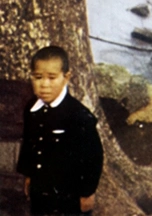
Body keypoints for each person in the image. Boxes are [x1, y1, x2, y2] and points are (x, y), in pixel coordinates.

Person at [17, 45, 103, 216]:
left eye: (52, 78)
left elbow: (94, 157)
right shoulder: (31, 109)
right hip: (40, 189)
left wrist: (87, 192)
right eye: (38, 77)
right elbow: (28, 142)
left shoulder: (80, 116)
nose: (44, 85)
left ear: (66, 77)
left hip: (69, 194)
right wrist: (28, 174)